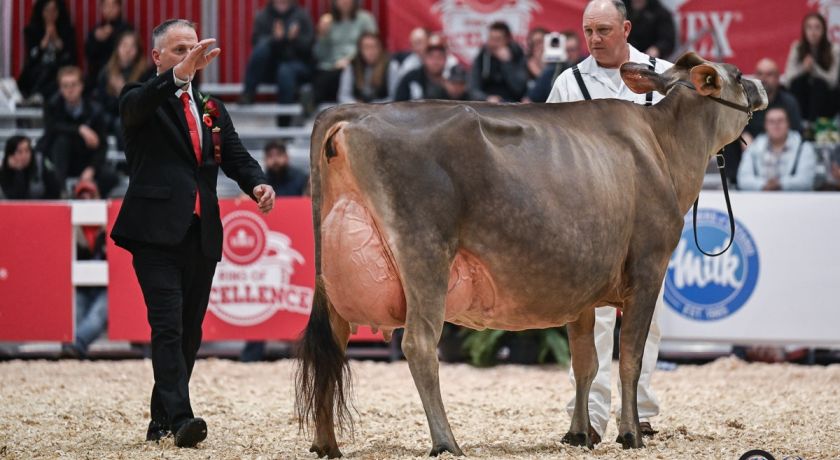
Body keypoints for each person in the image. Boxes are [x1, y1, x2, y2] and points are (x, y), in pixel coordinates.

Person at [110, 19, 276, 448]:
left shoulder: (212, 109)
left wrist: (256, 183)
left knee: (189, 332)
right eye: (179, 48)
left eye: (192, 48)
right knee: (166, 327)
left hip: (202, 233)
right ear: (157, 57)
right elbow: (137, 107)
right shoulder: (139, 99)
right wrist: (178, 77)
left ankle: (160, 419)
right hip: (154, 235)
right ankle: (182, 419)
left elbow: (236, 156)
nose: (189, 55)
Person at [546, 0, 670, 443]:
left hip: (648, 223)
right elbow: (548, 151)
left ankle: (642, 410)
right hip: (588, 223)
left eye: (603, 30)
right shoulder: (569, 82)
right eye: (588, 31)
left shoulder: (662, 75)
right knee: (590, 318)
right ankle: (592, 415)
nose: (594, 39)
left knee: (648, 316)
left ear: (626, 28)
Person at [240, 141, 309, 362]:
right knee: (261, 303)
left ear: (286, 156)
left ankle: (302, 352)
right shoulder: (260, 182)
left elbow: (307, 206)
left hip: (299, 250)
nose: (275, 160)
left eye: (279, 154)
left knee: (300, 306)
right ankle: (252, 354)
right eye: (270, 155)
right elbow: (245, 204)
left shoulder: (301, 179)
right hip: (266, 253)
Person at [38, 66, 113, 196]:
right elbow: (52, 129)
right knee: (61, 142)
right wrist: (80, 129)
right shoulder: (52, 106)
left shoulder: (95, 110)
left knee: (110, 176)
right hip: (58, 162)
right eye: (65, 86)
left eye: (73, 85)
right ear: (60, 89)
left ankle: (95, 202)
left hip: (85, 160)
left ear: (81, 86)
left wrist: (91, 169)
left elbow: (102, 145)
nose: (70, 90)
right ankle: (61, 194)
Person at [64, 180, 109, 358]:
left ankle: (75, 347)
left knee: (98, 315)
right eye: (82, 196)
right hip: (80, 288)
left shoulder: (108, 226)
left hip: (104, 289)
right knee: (74, 315)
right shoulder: (70, 229)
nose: (86, 199)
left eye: (90, 195)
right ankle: (71, 347)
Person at [239, 0, 315, 105]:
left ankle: (285, 119)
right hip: (270, 67)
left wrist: (293, 39)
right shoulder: (263, 15)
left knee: (285, 71)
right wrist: (275, 39)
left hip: (296, 66)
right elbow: (256, 43)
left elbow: (309, 47)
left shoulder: (302, 16)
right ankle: (248, 93)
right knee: (263, 47)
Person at [737, 108, 817, 191]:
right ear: (765, 125)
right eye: (771, 122)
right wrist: (764, 185)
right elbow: (743, 180)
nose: (776, 125)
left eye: (780, 121)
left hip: (795, 202)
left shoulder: (804, 147)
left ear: (788, 124)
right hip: (761, 201)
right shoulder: (754, 147)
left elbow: (805, 181)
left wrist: (780, 184)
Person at [313, 0, 378, 103]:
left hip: (357, 64)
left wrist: (350, 59)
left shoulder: (365, 19)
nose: (344, 1)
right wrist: (322, 35)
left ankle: (313, 104)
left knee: (342, 75)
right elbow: (320, 55)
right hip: (331, 65)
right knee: (320, 76)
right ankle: (313, 106)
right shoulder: (328, 21)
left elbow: (372, 45)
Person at [782, 12, 840, 123]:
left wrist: (814, 68)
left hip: (825, 98)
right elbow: (788, 79)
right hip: (803, 96)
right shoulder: (797, 47)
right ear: (804, 31)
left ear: (824, 30)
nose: (813, 32)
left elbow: (833, 81)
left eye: (817, 28)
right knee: (797, 82)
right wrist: (803, 69)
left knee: (819, 84)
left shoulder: (834, 49)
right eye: (809, 28)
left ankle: (815, 126)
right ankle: (799, 124)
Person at [93, 31, 148, 148]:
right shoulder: (106, 72)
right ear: (117, 48)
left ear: (138, 50)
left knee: (121, 124)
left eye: (132, 46)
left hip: (134, 117)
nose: (127, 50)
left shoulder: (145, 73)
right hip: (110, 115)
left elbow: (142, 104)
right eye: (124, 45)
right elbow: (101, 101)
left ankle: (125, 163)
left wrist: (121, 92)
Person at [17, 0, 77, 102]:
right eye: (47, 11)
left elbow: (71, 58)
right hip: (36, 70)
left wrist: (56, 39)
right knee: (42, 72)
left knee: (53, 72)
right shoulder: (32, 30)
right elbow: (31, 58)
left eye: (54, 10)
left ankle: (37, 96)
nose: (51, 14)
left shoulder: (67, 30)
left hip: (59, 69)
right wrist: (43, 44)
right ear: (41, 12)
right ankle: (35, 96)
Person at [470, 21, 528, 102]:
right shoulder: (482, 56)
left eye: (497, 39)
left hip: (512, 105)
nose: (493, 43)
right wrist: (486, 98)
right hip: (487, 104)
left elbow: (519, 89)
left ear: (507, 40)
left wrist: (507, 63)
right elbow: (473, 88)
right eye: (491, 39)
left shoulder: (517, 55)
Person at [745, 58, 803, 139]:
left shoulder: (789, 102)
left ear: (778, 78)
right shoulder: (745, 102)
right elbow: (735, 127)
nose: (763, 78)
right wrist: (744, 135)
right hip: (751, 149)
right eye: (759, 74)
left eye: (769, 74)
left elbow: (796, 132)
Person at [84, 0, 134, 94]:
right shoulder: (97, 30)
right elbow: (88, 54)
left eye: (113, 6)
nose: (109, 10)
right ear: (101, 9)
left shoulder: (126, 28)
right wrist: (96, 40)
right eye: (106, 6)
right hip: (97, 76)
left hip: (122, 73)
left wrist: (113, 35)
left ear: (119, 8)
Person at [337, 32, 399, 104]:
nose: (370, 51)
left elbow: (395, 97)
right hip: (357, 111)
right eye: (366, 47)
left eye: (373, 47)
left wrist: (371, 107)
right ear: (360, 50)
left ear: (380, 48)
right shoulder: (352, 66)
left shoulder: (391, 66)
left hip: (382, 111)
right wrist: (355, 105)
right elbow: (344, 96)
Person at [527, 30, 582, 103]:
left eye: (572, 50)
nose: (569, 54)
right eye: (566, 50)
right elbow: (529, 100)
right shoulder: (551, 71)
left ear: (579, 50)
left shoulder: (585, 69)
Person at [0, 135, 61, 200]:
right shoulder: (4, 170)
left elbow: (55, 192)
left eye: (27, 151)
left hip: (41, 207)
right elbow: (15, 198)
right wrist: (18, 171)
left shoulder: (40, 163)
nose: (24, 156)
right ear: (10, 155)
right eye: (19, 152)